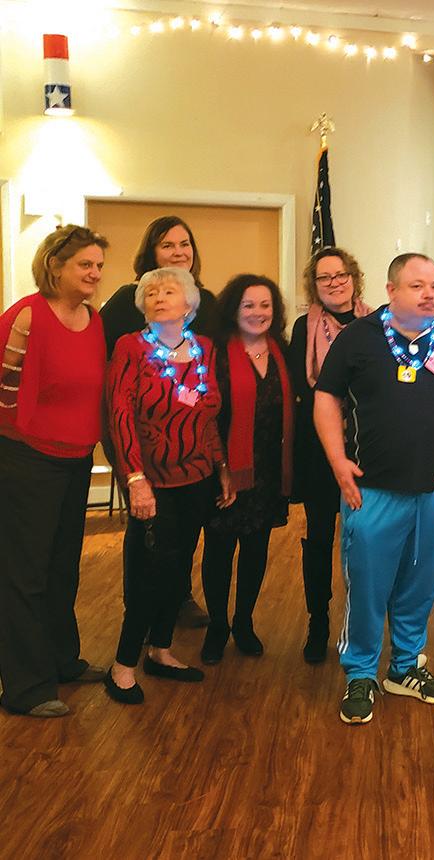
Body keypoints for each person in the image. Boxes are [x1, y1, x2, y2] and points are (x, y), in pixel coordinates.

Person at [314, 253, 434, 725]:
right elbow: (326, 397)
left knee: (419, 587)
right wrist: (338, 462)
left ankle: (405, 667)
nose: (429, 294)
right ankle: (360, 674)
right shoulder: (359, 337)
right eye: (417, 286)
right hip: (372, 492)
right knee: (368, 589)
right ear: (391, 291)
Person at [105, 267, 233, 704]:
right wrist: (135, 479)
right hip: (152, 481)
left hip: (196, 478)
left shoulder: (204, 349)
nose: (159, 297)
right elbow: (120, 415)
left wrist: (221, 465)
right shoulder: (131, 347)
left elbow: (208, 414)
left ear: (189, 303)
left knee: (178, 570)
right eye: (151, 292)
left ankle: (160, 650)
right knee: (149, 574)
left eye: (169, 290)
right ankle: (122, 665)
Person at [0, 225, 109, 717]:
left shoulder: (94, 319)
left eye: (99, 265)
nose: (94, 273)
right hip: (27, 460)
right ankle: (26, 687)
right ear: (55, 266)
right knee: (25, 573)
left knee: (63, 566)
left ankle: (62, 659)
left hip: (75, 459)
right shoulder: (27, 315)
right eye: (85, 264)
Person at [100, 215, 218, 628]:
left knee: (184, 528)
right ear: (151, 252)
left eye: (185, 244)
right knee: (147, 528)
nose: (178, 251)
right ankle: (140, 612)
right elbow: (106, 371)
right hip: (138, 443)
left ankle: (177, 599)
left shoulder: (205, 303)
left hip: (190, 445)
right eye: (167, 244)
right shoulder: (127, 302)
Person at [200, 275, 294, 665]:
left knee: (256, 548)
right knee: (219, 550)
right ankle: (217, 625)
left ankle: (243, 622)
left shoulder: (282, 351)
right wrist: (222, 467)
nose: (258, 312)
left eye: (265, 305)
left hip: (268, 470)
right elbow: (206, 416)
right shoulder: (215, 353)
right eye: (249, 305)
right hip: (225, 470)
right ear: (233, 309)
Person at [287, 246, 373, 663]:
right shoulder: (303, 327)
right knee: (319, 538)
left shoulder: (377, 323)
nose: (334, 283)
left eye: (341, 275)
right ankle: (317, 621)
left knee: (364, 540)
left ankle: (360, 624)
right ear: (314, 285)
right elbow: (298, 389)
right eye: (324, 277)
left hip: (366, 449)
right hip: (318, 450)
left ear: (353, 278)